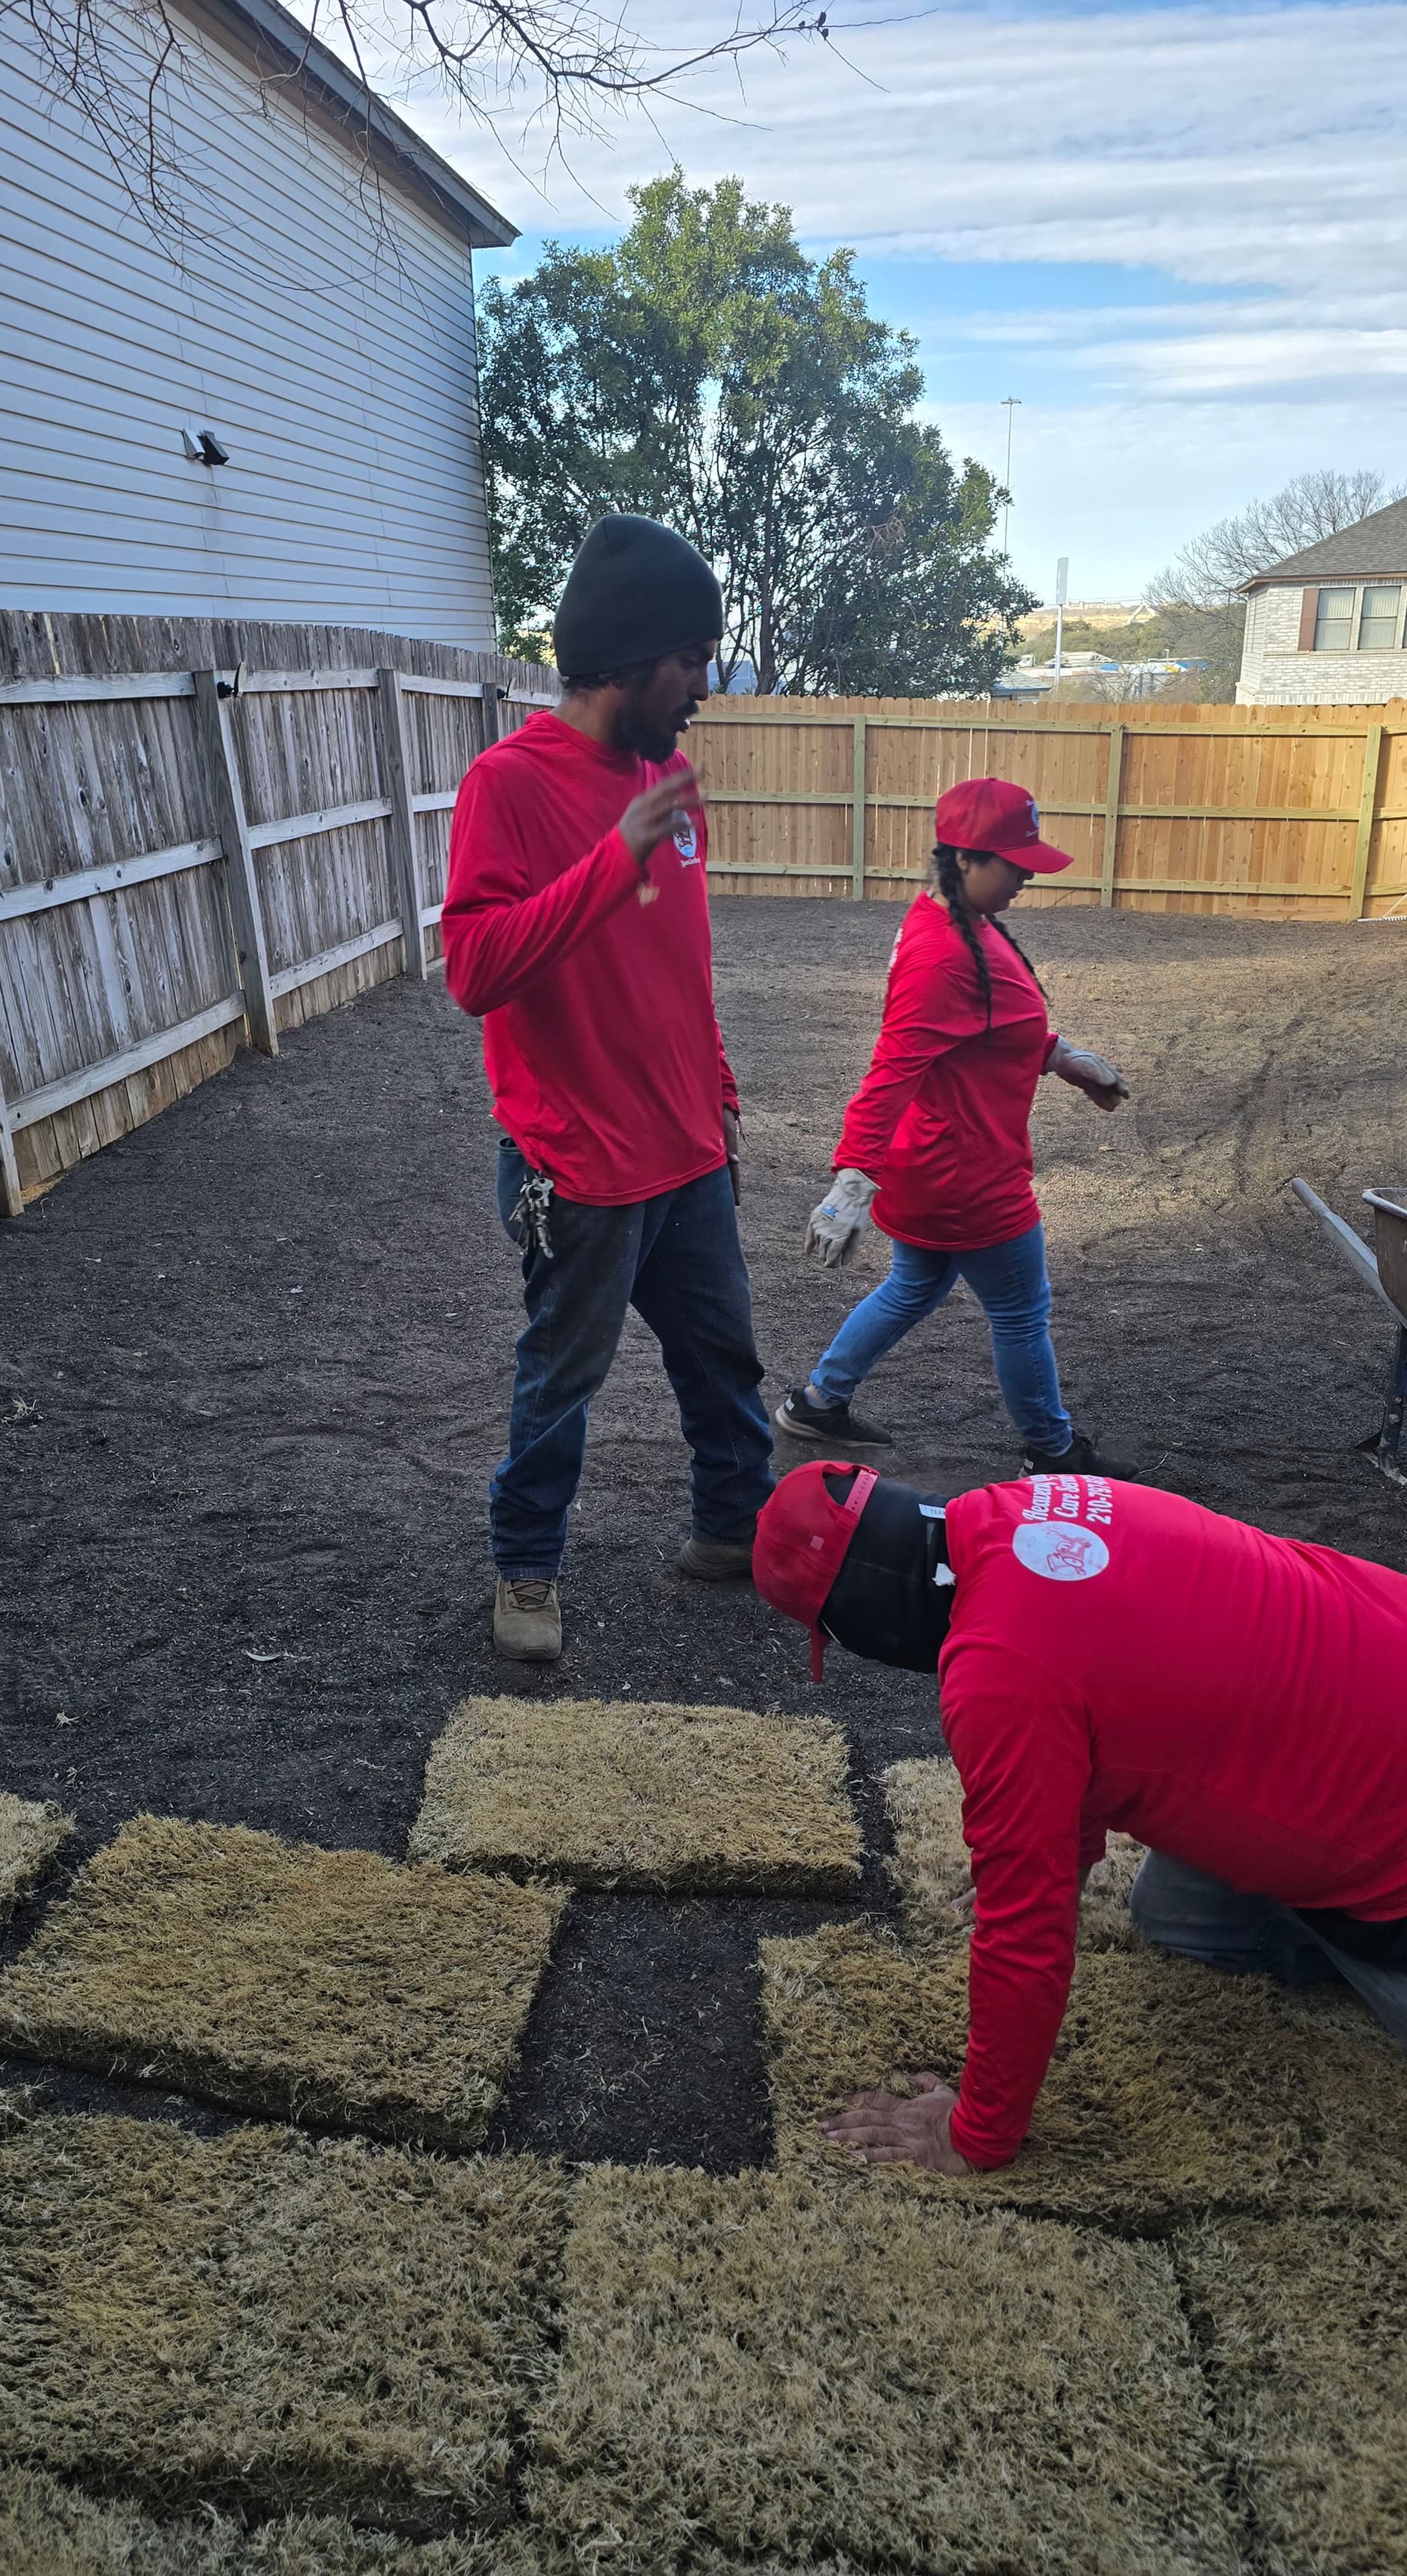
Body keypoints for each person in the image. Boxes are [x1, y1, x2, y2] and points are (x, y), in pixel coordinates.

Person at [752, 1457, 1407, 2173]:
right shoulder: (1028, 1504)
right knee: (1175, 1917)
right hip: (1371, 1682)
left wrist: (973, 2136)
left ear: (862, 1619)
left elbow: (1025, 1934)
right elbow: (1094, 1667)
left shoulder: (997, 1671)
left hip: (1387, 1828)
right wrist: (1060, 1852)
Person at [442, 514, 773, 1664]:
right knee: (563, 1382)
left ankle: (736, 1533)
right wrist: (609, 860)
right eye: (690, 660)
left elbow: (682, 960)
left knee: (725, 1360)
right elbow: (475, 972)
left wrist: (721, 1091)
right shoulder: (509, 785)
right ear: (631, 660)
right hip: (579, 1166)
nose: (701, 687)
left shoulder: (667, 778)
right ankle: (526, 1571)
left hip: (687, 1148)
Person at [775, 776, 1133, 1476]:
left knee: (915, 1285)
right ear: (964, 859)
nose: (1027, 874)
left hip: (939, 1162)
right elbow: (893, 1069)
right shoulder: (941, 952)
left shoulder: (959, 921)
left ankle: (819, 1404)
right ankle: (1054, 1452)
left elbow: (983, 1027)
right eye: (1013, 861)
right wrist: (852, 1177)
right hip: (969, 1173)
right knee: (1022, 1313)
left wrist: (1060, 1057)